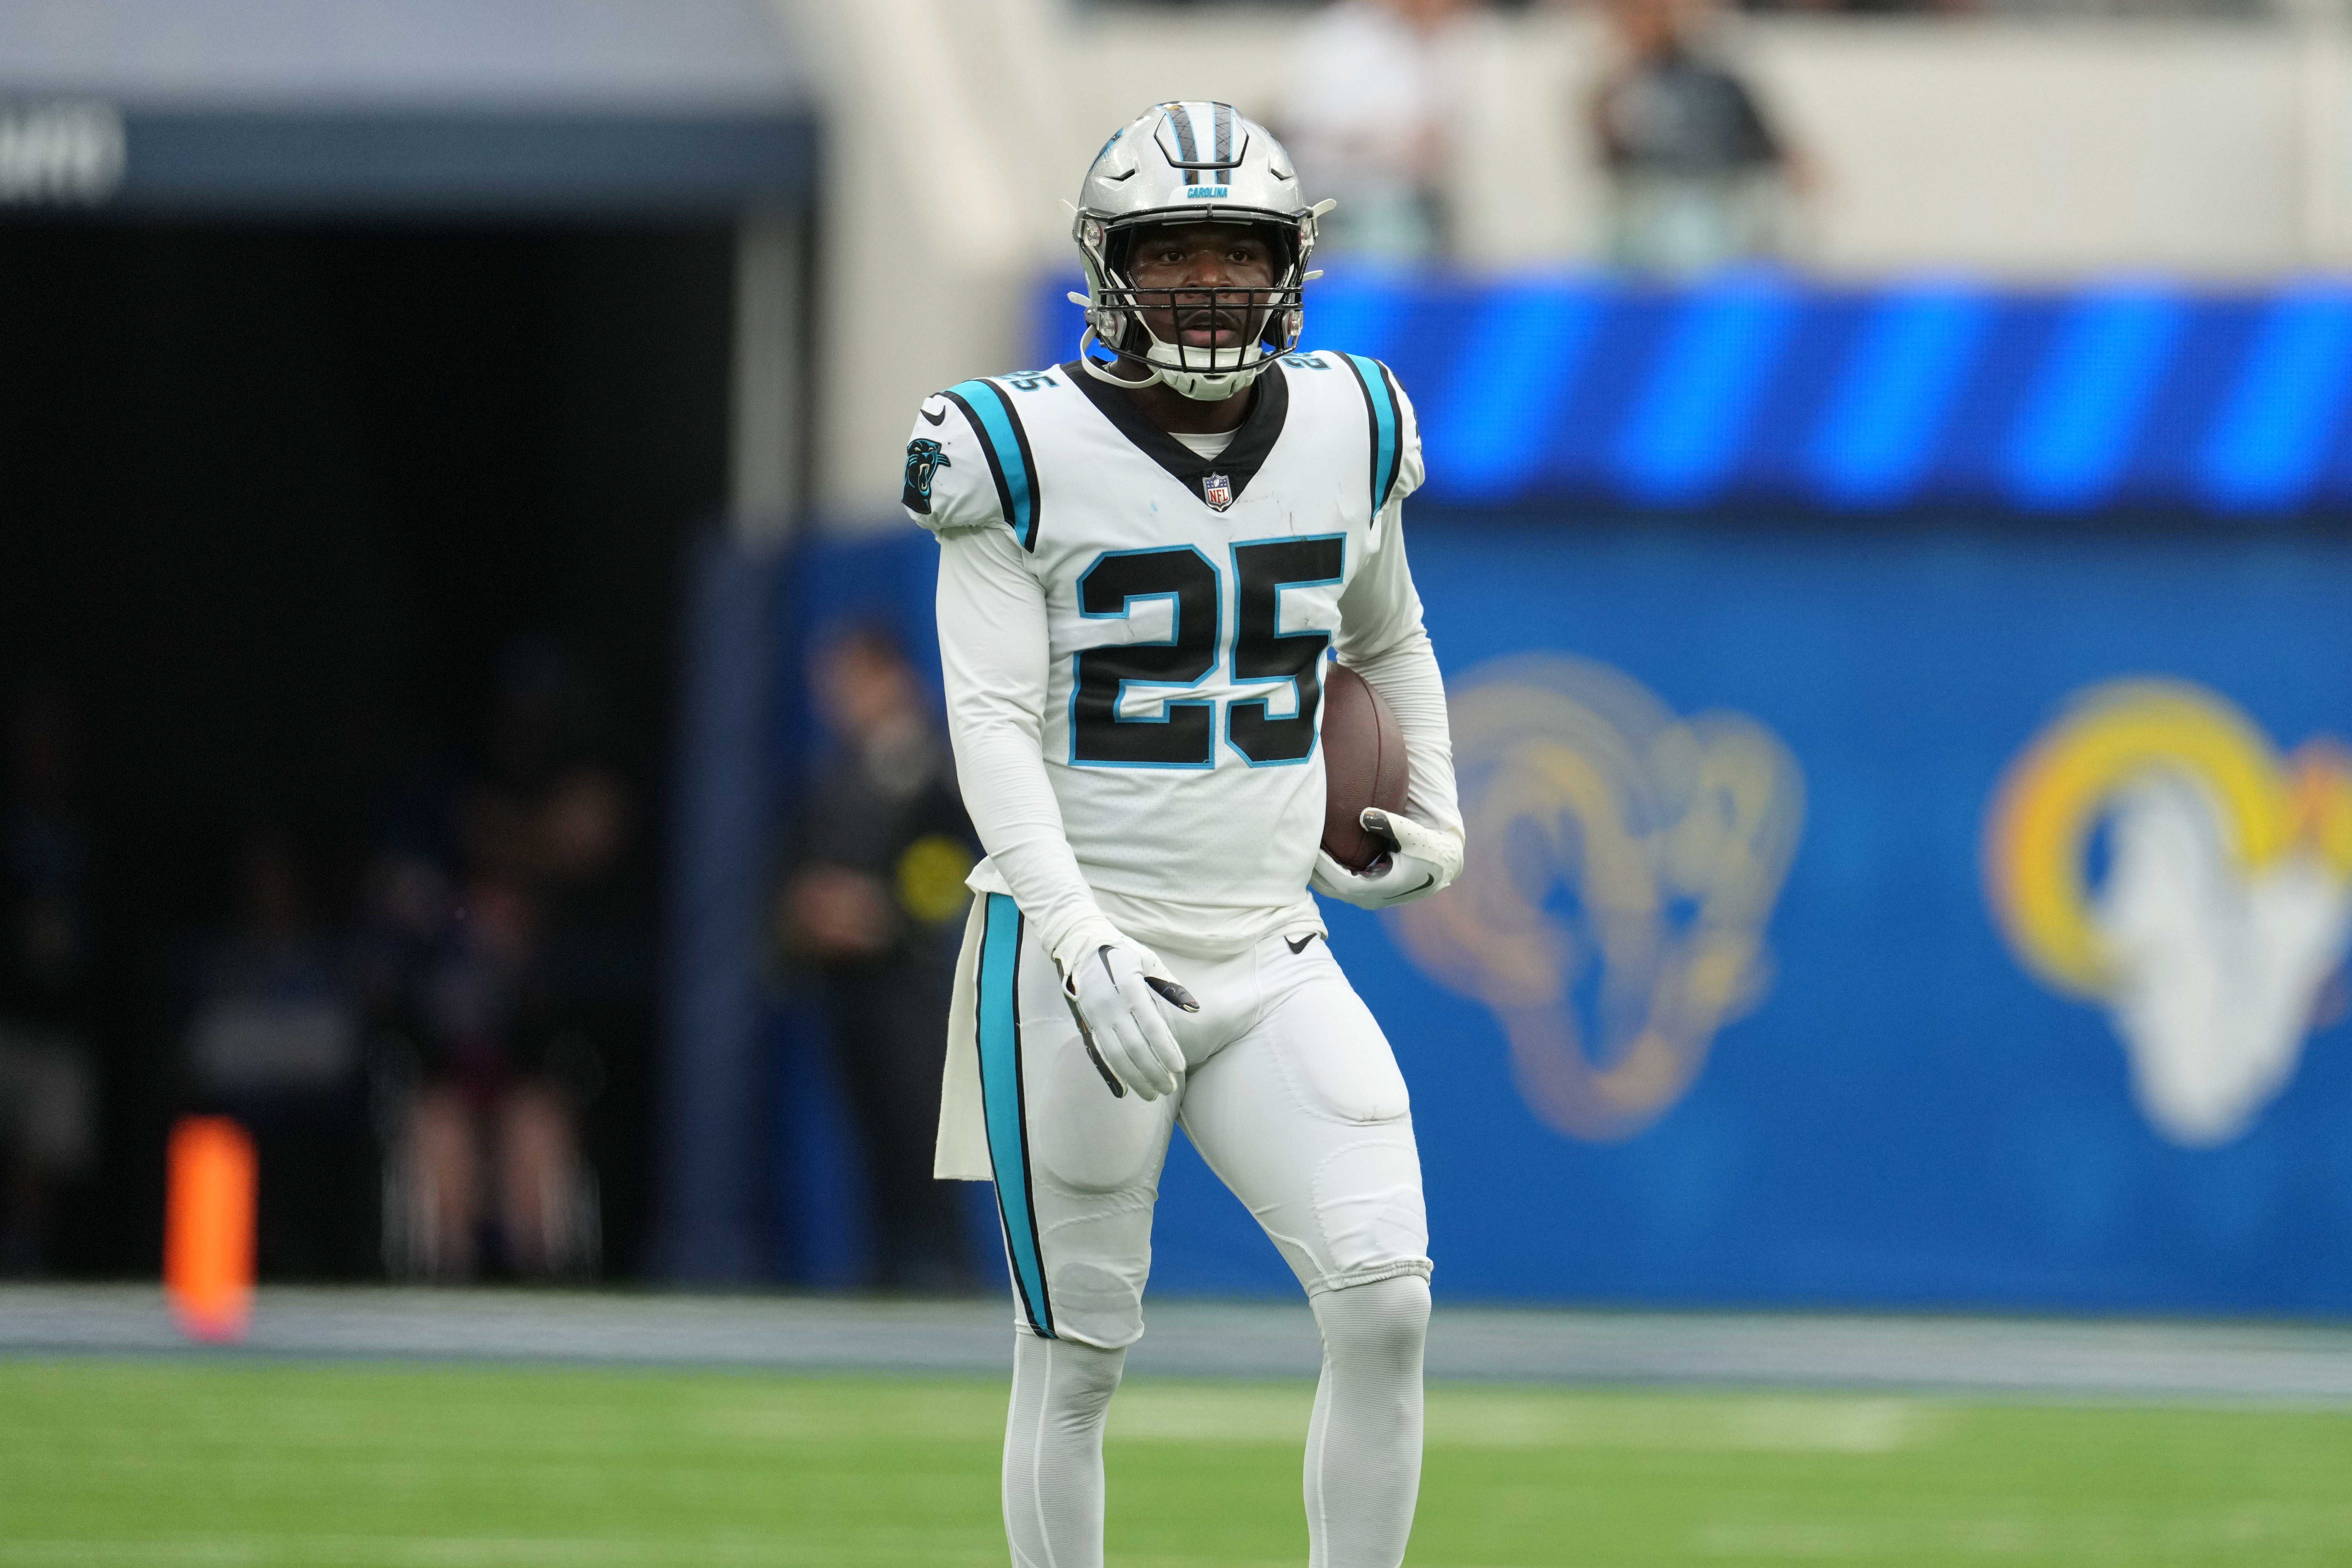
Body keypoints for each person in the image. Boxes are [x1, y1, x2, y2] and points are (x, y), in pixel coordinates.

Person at [903, 102, 1463, 1568]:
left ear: (1290, 265)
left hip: (1270, 945)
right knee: (1078, 1352)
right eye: (1178, 250)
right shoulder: (1011, 443)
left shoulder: (1351, 419)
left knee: (1385, 1298)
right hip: (1073, 958)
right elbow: (990, 724)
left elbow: (1390, 637)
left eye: (1238, 249)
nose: (1211, 281)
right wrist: (1081, 935)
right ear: (1110, 267)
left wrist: (1438, 814)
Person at [776, 624, 980, 1291]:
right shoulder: (836, 771)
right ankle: (888, 1281)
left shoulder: (935, 767)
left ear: (888, 677)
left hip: (916, 994)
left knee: (926, 1139)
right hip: (849, 993)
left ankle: (949, 1278)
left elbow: (959, 868)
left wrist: (887, 914)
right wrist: (806, 914)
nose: (837, 699)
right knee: (873, 1145)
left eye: (850, 681)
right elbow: (796, 872)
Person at [0, 682, 98, 1276]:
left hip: (61, 1025)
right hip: (6, 1015)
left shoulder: (86, 828)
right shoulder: (10, 824)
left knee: (42, 1166)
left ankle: (26, 1268)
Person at [1590, 0, 1799, 276]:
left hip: (1711, 200)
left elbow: (1766, 140)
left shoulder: (1715, 81)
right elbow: (1611, 159)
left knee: (1693, 235)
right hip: (1645, 203)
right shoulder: (1619, 88)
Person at [1280, 0, 1472, 262]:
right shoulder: (1342, 35)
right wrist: (1397, 143)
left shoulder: (1425, 38)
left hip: (1413, 191)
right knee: (1391, 235)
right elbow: (1314, 125)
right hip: (1346, 192)